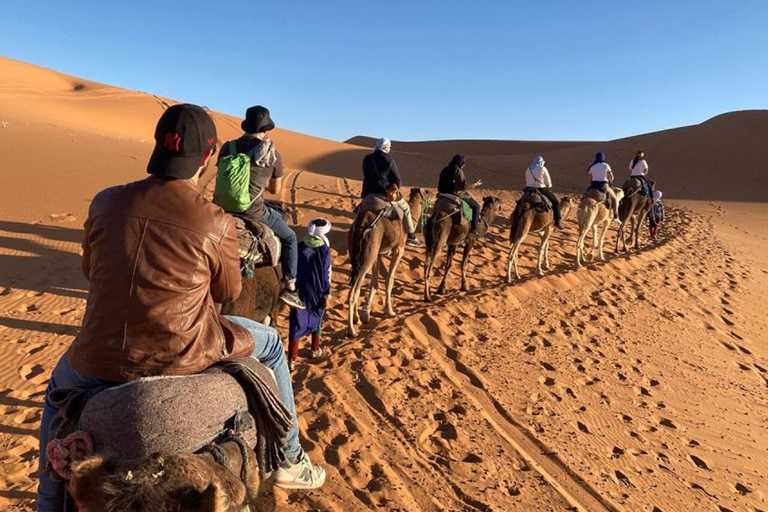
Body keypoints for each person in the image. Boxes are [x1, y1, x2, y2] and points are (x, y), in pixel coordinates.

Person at [36, 104, 325, 511]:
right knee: (273, 344)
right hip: (186, 351)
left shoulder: (103, 203)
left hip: (96, 355)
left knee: (56, 394)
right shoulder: (215, 220)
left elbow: (90, 268)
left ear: (158, 145)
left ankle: (47, 502)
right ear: (208, 156)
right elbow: (228, 289)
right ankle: (290, 459)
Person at [218, 105, 305, 309]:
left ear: (246, 125)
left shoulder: (227, 147)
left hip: (221, 208)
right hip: (254, 211)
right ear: (266, 129)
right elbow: (275, 190)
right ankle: (290, 287)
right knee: (291, 237)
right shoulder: (271, 154)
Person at [288, 218, 333, 371]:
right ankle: (315, 349)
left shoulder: (299, 246)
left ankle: (291, 359)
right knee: (317, 318)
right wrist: (327, 294)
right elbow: (327, 273)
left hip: (299, 289)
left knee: (296, 321)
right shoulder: (324, 250)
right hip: (317, 290)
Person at [361, 137, 424, 247]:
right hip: (385, 194)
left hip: (369, 193)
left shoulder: (367, 158)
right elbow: (398, 180)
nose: (390, 149)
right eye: (389, 147)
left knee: (360, 211)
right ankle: (411, 236)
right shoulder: (388, 160)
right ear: (385, 147)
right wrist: (394, 188)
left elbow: (366, 175)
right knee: (406, 209)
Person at [437, 154, 483, 234]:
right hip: (455, 195)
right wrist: (475, 184)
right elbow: (464, 186)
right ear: (460, 163)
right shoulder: (458, 170)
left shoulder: (445, 169)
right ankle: (474, 229)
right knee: (476, 206)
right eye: (463, 163)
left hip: (442, 194)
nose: (464, 165)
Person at [524, 155, 562, 229]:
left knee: (521, 201)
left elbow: (526, 178)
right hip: (541, 188)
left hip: (529, 189)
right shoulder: (543, 168)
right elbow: (548, 180)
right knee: (556, 202)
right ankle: (557, 222)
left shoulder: (528, 168)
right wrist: (549, 185)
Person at [587, 151, 619, 221]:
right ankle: (615, 216)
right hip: (604, 185)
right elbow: (612, 177)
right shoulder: (606, 165)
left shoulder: (592, 167)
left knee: (586, 195)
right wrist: (610, 182)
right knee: (614, 199)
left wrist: (592, 183)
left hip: (594, 185)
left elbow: (590, 178)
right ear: (603, 158)